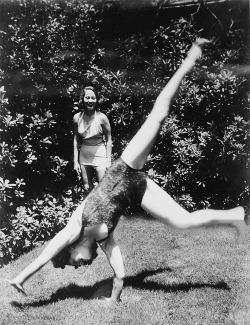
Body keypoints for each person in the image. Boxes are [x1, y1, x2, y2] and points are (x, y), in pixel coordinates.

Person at [8, 38, 248, 303]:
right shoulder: (104, 240)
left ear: (71, 250)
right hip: (139, 190)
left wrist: (20, 278)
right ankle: (234, 216)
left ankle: (192, 56)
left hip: (124, 168)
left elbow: (44, 256)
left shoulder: (73, 229)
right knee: (183, 221)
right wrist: (113, 299)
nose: (80, 266)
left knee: (158, 114)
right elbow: (120, 274)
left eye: (74, 264)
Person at [73, 86, 112, 192]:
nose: (90, 101)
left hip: (100, 153)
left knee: (103, 188)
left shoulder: (102, 118)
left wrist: (108, 161)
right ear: (82, 99)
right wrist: (75, 162)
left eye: (93, 98)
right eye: (87, 98)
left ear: (96, 100)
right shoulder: (77, 118)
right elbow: (76, 140)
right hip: (84, 155)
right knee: (87, 188)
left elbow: (109, 140)